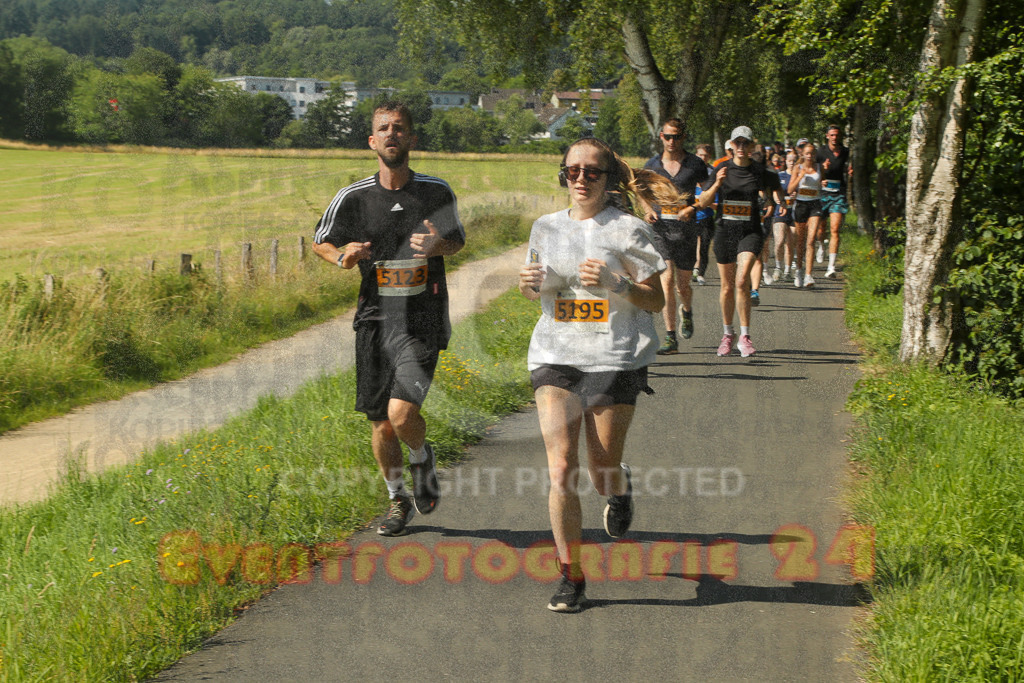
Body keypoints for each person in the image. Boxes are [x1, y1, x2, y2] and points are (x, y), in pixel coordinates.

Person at [518, 137, 676, 612]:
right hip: (556, 355)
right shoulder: (544, 228)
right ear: (562, 176)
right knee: (561, 469)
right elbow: (540, 288)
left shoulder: (628, 230)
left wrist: (618, 283)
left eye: (592, 172)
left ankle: (618, 488)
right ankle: (571, 576)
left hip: (615, 356)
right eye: (572, 171)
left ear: (609, 180)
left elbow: (656, 300)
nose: (581, 179)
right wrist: (528, 284)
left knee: (600, 472)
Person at [312, 101, 465, 537]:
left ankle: (420, 457)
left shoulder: (435, 191)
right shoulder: (354, 197)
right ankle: (397, 500)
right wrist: (343, 256)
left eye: (400, 128)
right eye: (384, 128)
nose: (392, 134)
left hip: (422, 318)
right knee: (380, 421)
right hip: (374, 320)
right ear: (372, 140)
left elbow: (457, 241)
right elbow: (321, 240)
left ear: (412, 139)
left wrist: (437, 246)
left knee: (401, 415)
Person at [696, 126, 785, 358]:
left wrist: (776, 203)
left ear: (752, 145)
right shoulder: (721, 168)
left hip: (750, 231)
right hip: (725, 230)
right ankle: (728, 334)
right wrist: (716, 184)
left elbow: (776, 188)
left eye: (746, 143)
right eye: (738, 143)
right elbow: (703, 202)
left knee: (742, 279)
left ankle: (745, 337)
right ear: (731, 146)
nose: (742, 147)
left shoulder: (760, 171)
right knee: (726, 286)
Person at [641, 118, 707, 354]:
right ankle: (670, 338)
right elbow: (640, 189)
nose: (672, 141)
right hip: (662, 231)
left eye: (676, 137)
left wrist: (694, 208)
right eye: (667, 137)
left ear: (683, 137)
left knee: (683, 286)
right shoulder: (652, 165)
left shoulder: (695, 164)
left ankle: (686, 312)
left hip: (686, 231)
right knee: (667, 281)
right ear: (661, 137)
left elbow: (708, 194)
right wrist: (648, 210)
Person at [816, 125, 853, 278]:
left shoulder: (846, 152)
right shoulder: (820, 152)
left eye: (837, 135)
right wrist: (822, 172)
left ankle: (831, 267)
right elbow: (813, 172)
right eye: (832, 135)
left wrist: (850, 172)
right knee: (821, 228)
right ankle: (821, 245)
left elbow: (848, 168)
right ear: (827, 136)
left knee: (835, 229)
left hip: (839, 193)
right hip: (823, 193)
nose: (834, 138)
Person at [788, 141, 823, 288]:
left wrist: (824, 182)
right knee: (801, 242)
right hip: (801, 205)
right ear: (803, 154)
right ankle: (799, 271)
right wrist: (800, 176)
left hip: (814, 204)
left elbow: (821, 183)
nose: (810, 156)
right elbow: (790, 189)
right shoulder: (798, 167)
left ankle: (809, 276)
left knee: (811, 239)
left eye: (812, 153)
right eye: (807, 153)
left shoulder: (819, 167)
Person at [693, 143, 716, 285]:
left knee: (704, 245)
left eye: (706, 156)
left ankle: (700, 272)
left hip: (706, 216)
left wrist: (705, 201)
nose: (703, 158)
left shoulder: (712, 172)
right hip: (691, 216)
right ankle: (694, 268)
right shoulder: (688, 170)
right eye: (700, 155)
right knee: (692, 244)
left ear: (710, 157)